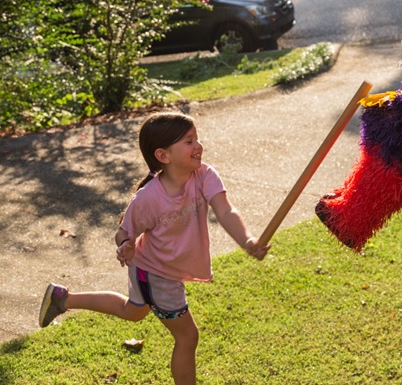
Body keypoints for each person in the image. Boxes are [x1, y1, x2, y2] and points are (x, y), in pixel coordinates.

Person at [39, 111, 270, 385]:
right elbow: (124, 231)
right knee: (187, 336)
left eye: (196, 138)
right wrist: (125, 245)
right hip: (157, 274)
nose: (198, 146)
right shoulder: (149, 198)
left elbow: (226, 210)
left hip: (153, 270)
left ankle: (63, 298)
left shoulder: (204, 175)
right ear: (163, 155)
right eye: (188, 141)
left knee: (133, 312)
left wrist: (247, 240)